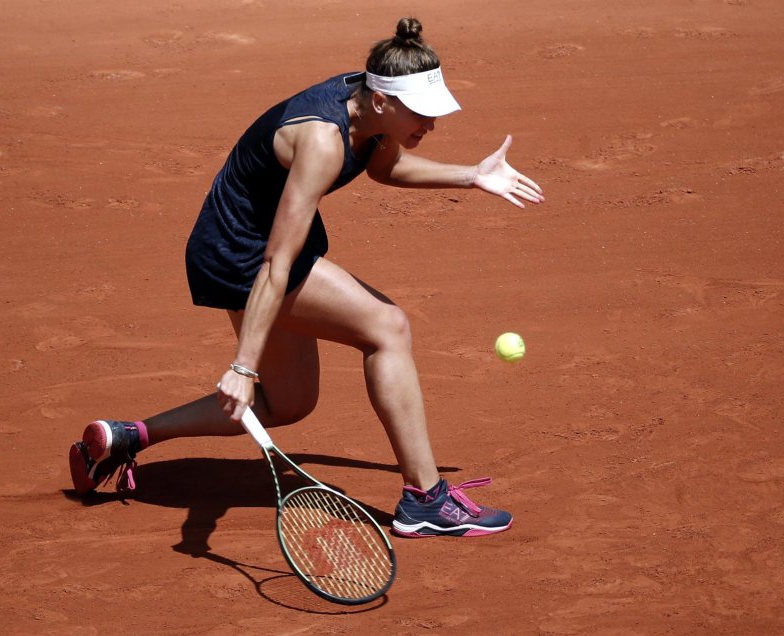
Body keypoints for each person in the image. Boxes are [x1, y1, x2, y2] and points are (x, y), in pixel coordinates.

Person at [68, 17, 544, 538]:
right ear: (384, 101)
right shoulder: (321, 142)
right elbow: (276, 262)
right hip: (242, 254)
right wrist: (243, 366)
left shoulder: (366, 106)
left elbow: (384, 168)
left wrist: (472, 176)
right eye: (422, 113)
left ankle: (128, 437)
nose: (431, 124)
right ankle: (424, 499)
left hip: (245, 243)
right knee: (387, 327)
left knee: (288, 404)